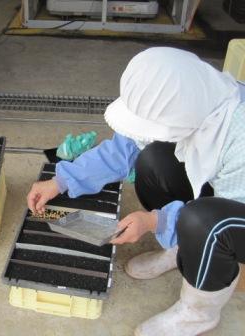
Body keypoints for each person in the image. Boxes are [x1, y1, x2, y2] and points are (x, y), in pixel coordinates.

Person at [27, 47, 245, 336]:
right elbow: (125, 148)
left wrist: (156, 221)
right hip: (224, 194)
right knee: (153, 160)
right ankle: (183, 246)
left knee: (204, 223)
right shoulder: (193, 97)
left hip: (237, 210)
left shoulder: (239, 134)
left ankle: (198, 313)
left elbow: (227, 213)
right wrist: (61, 181)